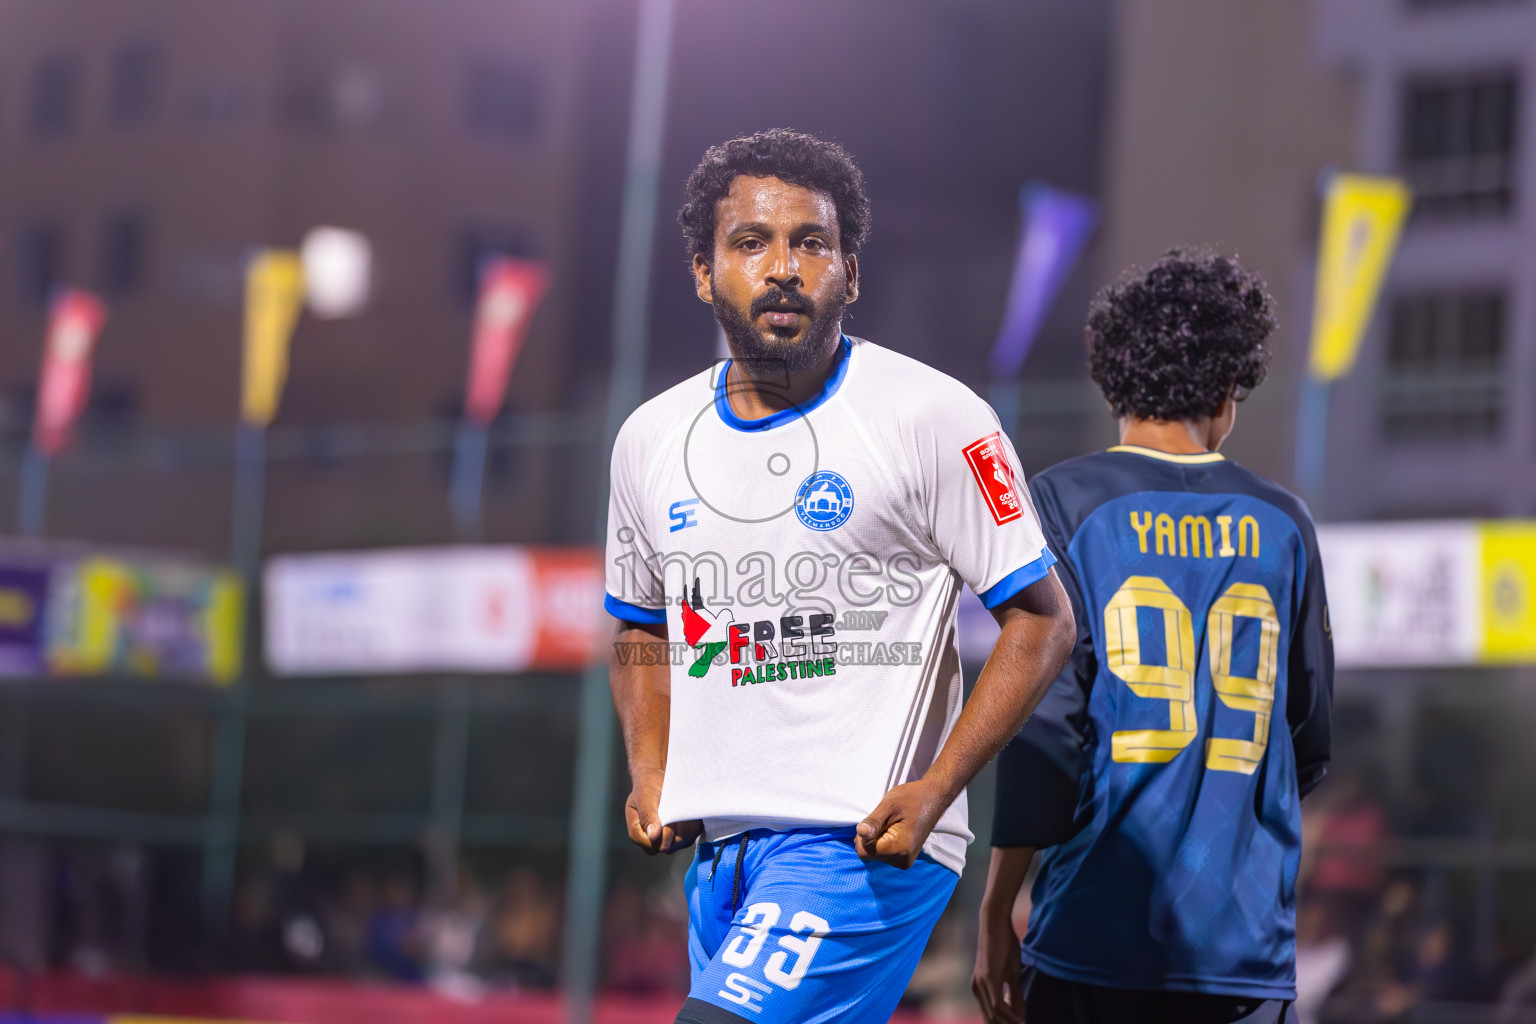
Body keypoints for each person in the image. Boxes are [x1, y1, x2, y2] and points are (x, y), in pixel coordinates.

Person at [603, 129, 1076, 1024]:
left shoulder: (933, 416)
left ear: (849, 274)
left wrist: (936, 790)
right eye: (750, 243)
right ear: (704, 273)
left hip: (856, 847)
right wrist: (649, 767)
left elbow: (1043, 621)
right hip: (718, 855)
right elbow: (637, 622)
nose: (782, 267)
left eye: (809, 243)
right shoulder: (648, 439)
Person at [971, 250, 1334, 1024]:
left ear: (1114, 379)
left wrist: (998, 909)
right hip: (1244, 952)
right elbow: (1305, 741)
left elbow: (1047, 737)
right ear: (1230, 390)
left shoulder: (1064, 499)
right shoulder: (1285, 524)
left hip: (1093, 933)